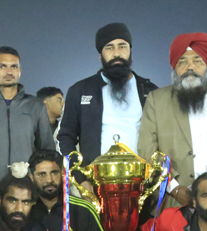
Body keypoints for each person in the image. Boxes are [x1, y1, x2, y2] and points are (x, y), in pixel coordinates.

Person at [138, 33, 207, 208]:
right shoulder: (157, 100)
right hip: (174, 202)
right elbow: (147, 150)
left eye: (198, 61)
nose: (190, 67)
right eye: (182, 62)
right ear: (174, 67)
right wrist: (174, 188)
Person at [58, 23, 159, 165]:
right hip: (95, 176)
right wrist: (79, 173)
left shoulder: (150, 91)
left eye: (122, 46)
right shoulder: (80, 90)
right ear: (100, 55)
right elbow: (66, 137)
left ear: (131, 51)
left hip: (142, 176)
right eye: (109, 48)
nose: (116, 53)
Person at [0, 47, 56, 210]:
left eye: (14, 66)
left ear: (20, 71)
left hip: (25, 194)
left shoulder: (35, 106)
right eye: (2, 66)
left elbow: (46, 150)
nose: (9, 71)